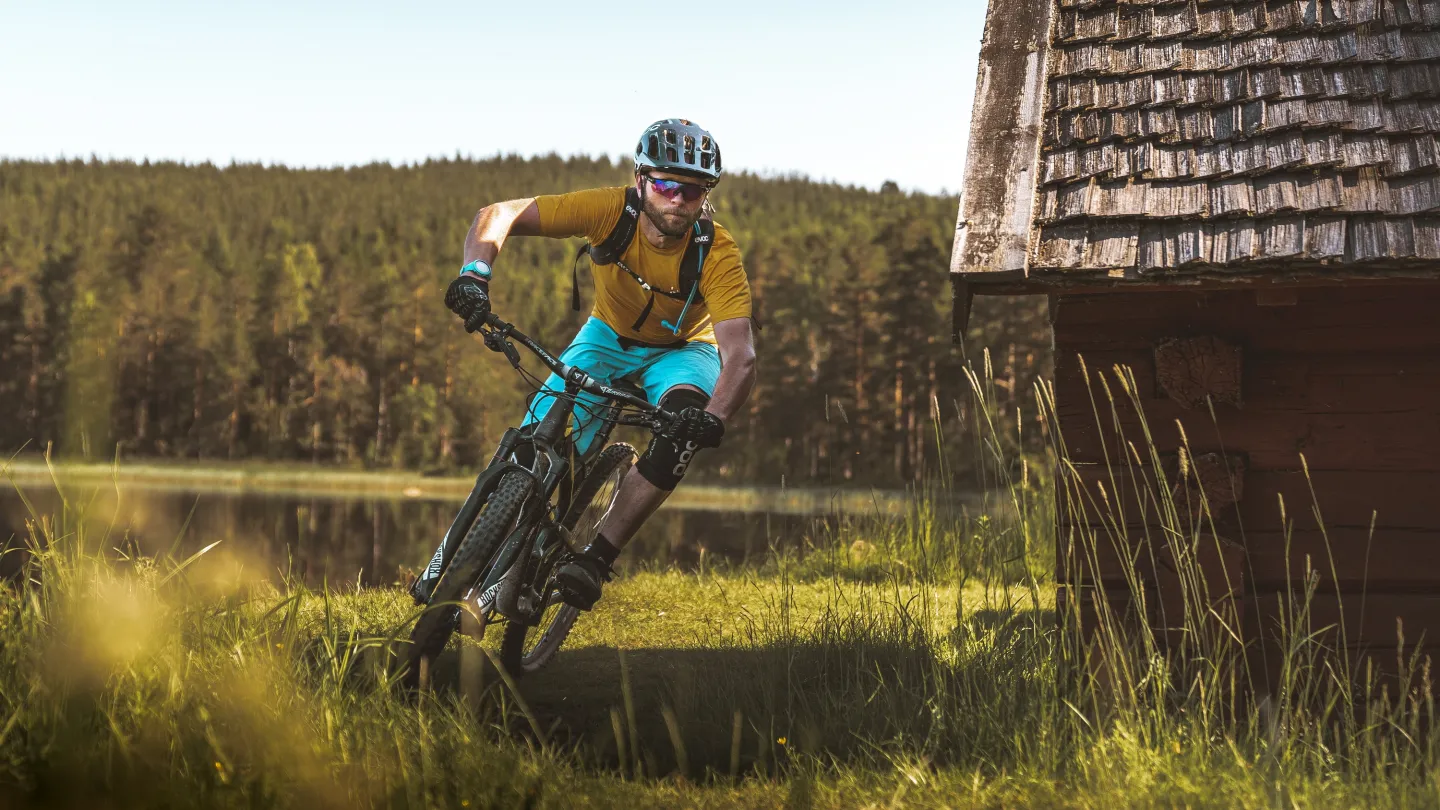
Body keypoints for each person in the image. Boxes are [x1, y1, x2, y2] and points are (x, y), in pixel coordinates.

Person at [442, 119, 757, 611]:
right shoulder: (610, 210)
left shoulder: (716, 251)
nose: (678, 198)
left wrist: (713, 417)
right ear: (640, 181)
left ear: (704, 197)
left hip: (683, 352)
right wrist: (474, 275)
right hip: (607, 335)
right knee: (537, 442)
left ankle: (596, 557)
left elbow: (740, 354)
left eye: (692, 190)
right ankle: (495, 549)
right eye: (666, 183)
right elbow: (498, 214)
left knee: (680, 430)